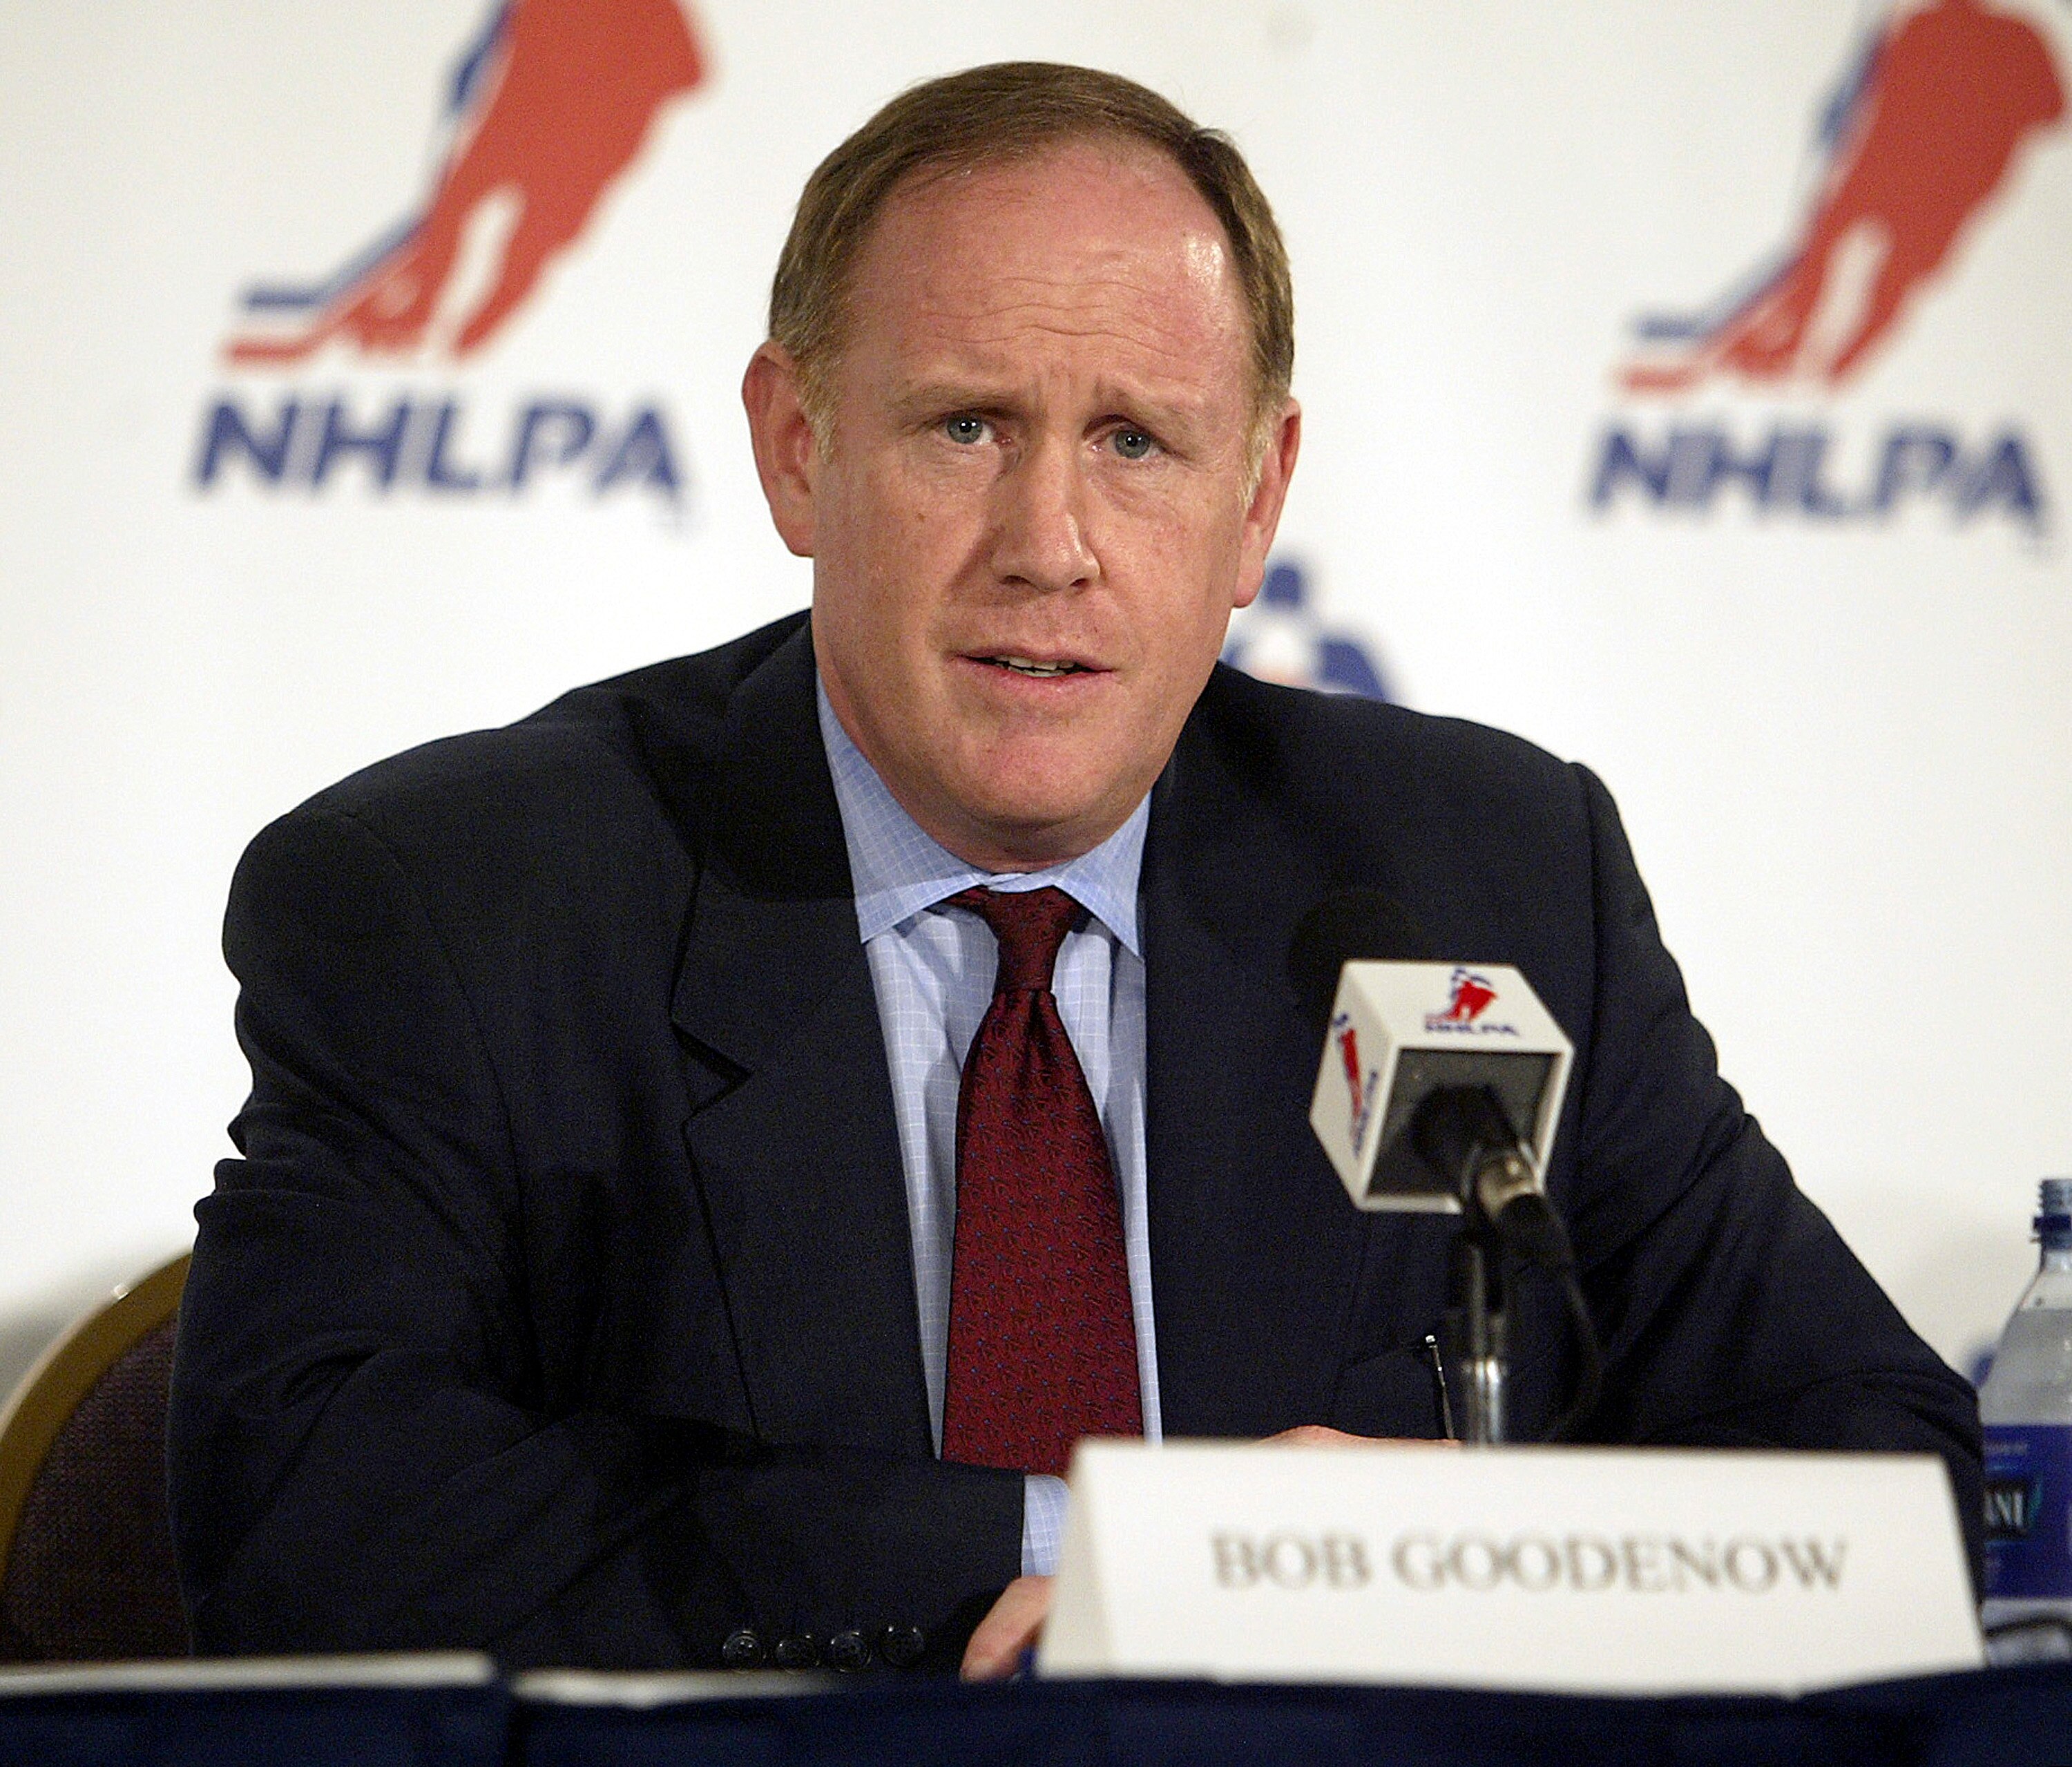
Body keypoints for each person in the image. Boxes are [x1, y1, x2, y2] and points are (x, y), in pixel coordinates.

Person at [169, 62, 1981, 1678]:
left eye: (1136, 442)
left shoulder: (1477, 875)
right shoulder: (466, 900)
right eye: (967, 426)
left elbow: (1878, 1464)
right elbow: (312, 1515)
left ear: (1258, 500)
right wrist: (1126, 1563)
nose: (1051, 545)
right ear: (800, 451)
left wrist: (1463, 1558)